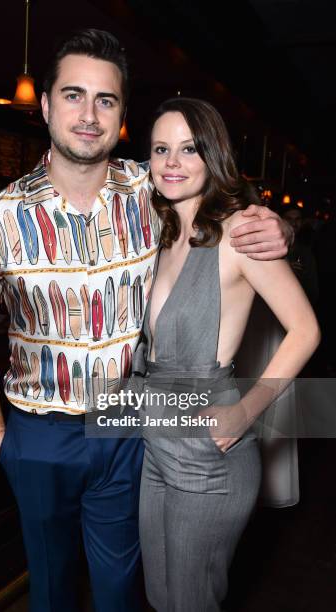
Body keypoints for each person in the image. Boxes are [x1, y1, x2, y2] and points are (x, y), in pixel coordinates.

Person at [0, 30, 291, 612]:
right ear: (48, 104)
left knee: (121, 590)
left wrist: (277, 227)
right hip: (39, 431)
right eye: (74, 95)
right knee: (52, 588)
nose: (88, 114)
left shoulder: (150, 190)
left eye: (105, 100)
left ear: (121, 115)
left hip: (129, 420)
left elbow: (220, 207)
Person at [135, 98, 320, 612]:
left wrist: (245, 410)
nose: (172, 162)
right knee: (160, 596)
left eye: (188, 149)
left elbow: (305, 329)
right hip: (155, 447)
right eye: (160, 149)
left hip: (208, 459)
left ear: (212, 154)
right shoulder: (161, 230)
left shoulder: (239, 233)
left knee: (191, 603)